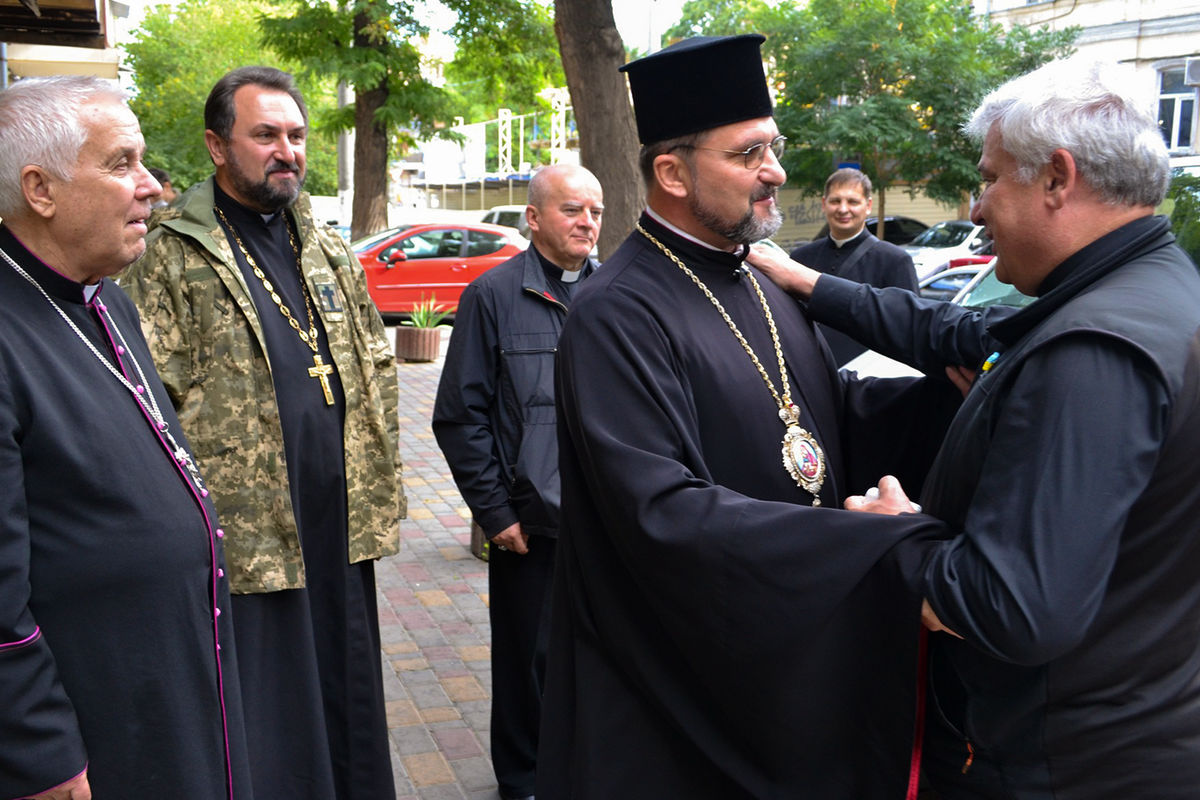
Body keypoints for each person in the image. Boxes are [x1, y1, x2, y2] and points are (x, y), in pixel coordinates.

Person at [749, 57, 1200, 799]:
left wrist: (897, 537)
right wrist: (809, 282)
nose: (979, 206)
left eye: (990, 178)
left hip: (1067, 764)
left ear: (1057, 178)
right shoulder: (1144, 290)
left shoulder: (1092, 351)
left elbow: (1014, 607)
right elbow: (955, 329)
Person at [537, 34, 962, 799]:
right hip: (673, 697)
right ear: (671, 172)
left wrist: (956, 399)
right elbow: (659, 514)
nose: (777, 172)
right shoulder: (615, 313)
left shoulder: (764, 283)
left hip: (776, 674)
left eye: (775, 146)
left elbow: (822, 421)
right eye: (750, 154)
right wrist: (860, 543)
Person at [121, 66, 405, 800]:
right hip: (249, 535)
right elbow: (151, 406)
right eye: (266, 135)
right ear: (218, 146)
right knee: (273, 722)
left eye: (298, 135)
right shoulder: (169, 254)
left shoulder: (327, 246)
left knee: (349, 699)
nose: (288, 150)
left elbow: (373, 366)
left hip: (339, 523)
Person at [0, 75, 250, 800]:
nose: (153, 187)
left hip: (164, 678)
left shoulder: (108, 298)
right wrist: (36, 748)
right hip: (88, 715)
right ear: (39, 189)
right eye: (121, 163)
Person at [433, 163, 603, 800]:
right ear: (533, 219)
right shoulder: (492, 296)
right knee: (527, 664)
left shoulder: (616, 294)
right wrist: (495, 512)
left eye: (595, 210)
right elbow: (460, 415)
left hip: (606, 522)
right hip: (530, 526)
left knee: (600, 656)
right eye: (571, 210)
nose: (586, 222)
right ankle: (524, 780)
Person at [791, 167, 917, 365]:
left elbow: (907, 330)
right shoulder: (800, 258)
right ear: (824, 204)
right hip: (810, 371)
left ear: (868, 205)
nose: (843, 209)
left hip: (869, 380)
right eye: (835, 201)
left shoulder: (895, 260)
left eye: (852, 201)